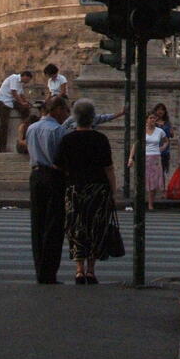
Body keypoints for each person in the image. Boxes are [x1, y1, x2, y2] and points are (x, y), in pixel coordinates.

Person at [55, 99, 116, 285]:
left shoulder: (67, 139)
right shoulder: (101, 139)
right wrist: (112, 191)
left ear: (75, 117)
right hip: (98, 189)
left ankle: (79, 270)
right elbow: (109, 168)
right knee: (95, 228)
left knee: (76, 228)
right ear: (92, 118)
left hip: (75, 189)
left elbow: (58, 166)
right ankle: (91, 270)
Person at [25, 96, 71, 284]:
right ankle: (49, 272)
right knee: (54, 226)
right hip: (54, 177)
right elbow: (60, 160)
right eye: (65, 110)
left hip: (36, 176)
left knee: (38, 224)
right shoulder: (58, 131)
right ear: (57, 109)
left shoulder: (31, 128)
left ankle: (39, 269)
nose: (66, 115)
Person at [128, 113, 169, 211]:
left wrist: (163, 147)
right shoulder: (142, 131)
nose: (152, 120)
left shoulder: (160, 131)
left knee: (153, 181)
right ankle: (140, 201)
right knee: (143, 180)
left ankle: (151, 203)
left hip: (155, 157)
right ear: (146, 120)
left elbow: (166, 140)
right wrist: (131, 158)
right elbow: (135, 144)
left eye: (154, 118)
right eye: (150, 118)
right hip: (144, 157)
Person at [0, 70, 33, 152]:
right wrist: (22, 103)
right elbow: (14, 93)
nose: (28, 82)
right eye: (28, 80)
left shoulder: (21, 83)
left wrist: (26, 103)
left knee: (26, 112)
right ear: (25, 76)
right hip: (3, 101)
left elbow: (21, 94)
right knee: (4, 124)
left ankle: (24, 137)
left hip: (11, 101)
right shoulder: (14, 78)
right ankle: (2, 148)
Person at [152, 103, 173, 174]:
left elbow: (171, 135)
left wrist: (171, 131)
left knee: (162, 173)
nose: (160, 111)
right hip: (153, 150)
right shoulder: (152, 122)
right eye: (158, 109)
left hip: (164, 151)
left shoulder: (167, 123)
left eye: (162, 110)